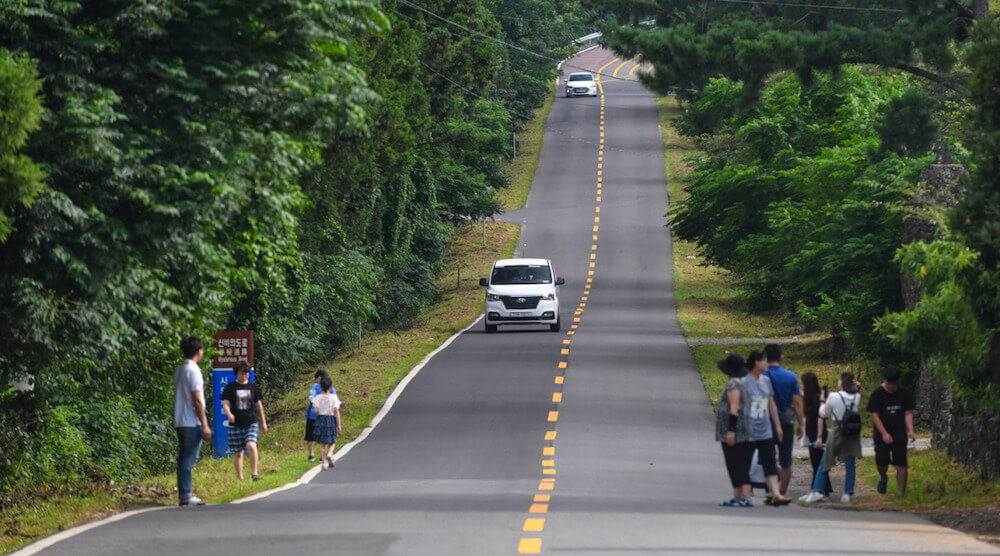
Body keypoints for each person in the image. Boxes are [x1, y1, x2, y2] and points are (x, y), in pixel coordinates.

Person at [803, 372, 863, 504]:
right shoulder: (856, 397)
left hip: (837, 430)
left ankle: (817, 490)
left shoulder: (834, 396)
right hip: (852, 432)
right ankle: (847, 493)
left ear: (842, 383)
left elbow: (823, 413)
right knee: (850, 463)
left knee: (826, 461)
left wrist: (823, 401)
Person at [742, 350, 790, 506]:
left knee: (769, 462)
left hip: (765, 430)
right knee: (746, 462)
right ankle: (745, 494)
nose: (767, 364)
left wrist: (777, 426)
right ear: (756, 362)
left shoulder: (766, 381)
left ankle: (776, 494)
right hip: (749, 429)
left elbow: (771, 404)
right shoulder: (745, 382)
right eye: (764, 361)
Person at [867, 365, 917, 497]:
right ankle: (883, 477)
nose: (891, 386)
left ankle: (901, 492)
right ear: (885, 379)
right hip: (881, 433)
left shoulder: (904, 394)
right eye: (889, 383)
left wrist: (911, 430)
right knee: (881, 460)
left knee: (901, 463)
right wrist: (884, 433)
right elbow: (875, 415)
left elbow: (907, 413)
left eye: (894, 383)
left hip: (899, 432)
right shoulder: (877, 394)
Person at [173, 335, 211, 506]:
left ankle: (184, 493)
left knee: (183, 459)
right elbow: (197, 400)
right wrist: (205, 425)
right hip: (191, 421)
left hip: (180, 420)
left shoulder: (180, 369)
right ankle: (186, 494)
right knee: (188, 459)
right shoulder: (193, 370)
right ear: (198, 351)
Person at [763, 343, 803, 496]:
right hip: (786, 424)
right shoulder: (791, 376)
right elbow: (797, 402)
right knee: (786, 460)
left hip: (766, 423)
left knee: (768, 458)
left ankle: (770, 489)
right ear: (781, 358)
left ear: (764, 358)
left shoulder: (761, 376)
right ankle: (782, 492)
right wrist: (801, 424)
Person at [716, 354, 753, 507]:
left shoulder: (733, 385)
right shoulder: (742, 382)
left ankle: (745, 495)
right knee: (735, 462)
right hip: (742, 428)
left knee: (737, 462)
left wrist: (731, 430)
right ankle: (737, 495)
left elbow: (734, 407)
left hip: (735, 430)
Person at [221, 360, 268, 481]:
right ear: (236, 373)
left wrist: (263, 422)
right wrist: (229, 414)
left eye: (246, 373)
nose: (244, 376)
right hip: (235, 424)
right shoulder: (230, 387)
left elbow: (259, 406)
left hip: (251, 422)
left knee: (251, 445)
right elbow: (225, 404)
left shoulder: (253, 387)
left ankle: (254, 474)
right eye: (242, 373)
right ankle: (240, 478)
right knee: (238, 453)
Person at [800, 372, 831, 501]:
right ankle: (819, 489)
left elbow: (821, 418)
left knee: (818, 463)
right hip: (812, 433)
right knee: (816, 463)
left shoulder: (817, 400)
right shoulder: (810, 398)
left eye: (803, 383)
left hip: (818, 434)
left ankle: (818, 490)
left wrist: (819, 436)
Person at [311, 376, 342, 470]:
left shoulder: (317, 398)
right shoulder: (333, 397)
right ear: (330, 387)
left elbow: (315, 410)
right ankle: (330, 453)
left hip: (320, 420)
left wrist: (320, 410)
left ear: (320, 387)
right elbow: (336, 411)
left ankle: (324, 463)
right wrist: (339, 424)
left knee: (322, 443)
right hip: (330, 419)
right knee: (332, 440)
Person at [305, 369, 330, 462]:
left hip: (313, 414)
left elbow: (311, 396)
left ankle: (312, 455)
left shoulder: (315, 386)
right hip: (323, 414)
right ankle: (321, 456)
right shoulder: (327, 386)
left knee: (310, 435)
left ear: (319, 377)